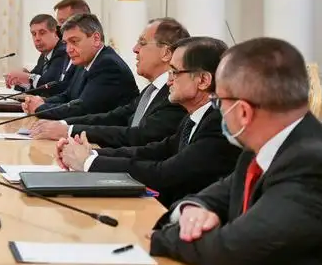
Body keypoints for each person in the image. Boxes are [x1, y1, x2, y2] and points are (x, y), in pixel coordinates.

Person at [149, 38, 322, 265]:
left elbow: (230, 249)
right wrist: (192, 209)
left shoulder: (312, 163)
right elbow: (218, 194)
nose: (218, 111)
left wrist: (163, 238)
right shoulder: (262, 145)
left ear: (242, 112)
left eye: (219, 102)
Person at [57, 37, 240, 207]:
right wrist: (92, 153)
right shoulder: (195, 116)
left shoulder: (218, 124)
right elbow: (154, 151)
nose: (168, 81)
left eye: (175, 72)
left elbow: (165, 173)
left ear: (203, 80)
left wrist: (89, 162)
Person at [31, 18, 188, 147]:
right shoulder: (151, 89)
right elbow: (116, 116)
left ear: (166, 53)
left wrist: (69, 131)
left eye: (142, 42)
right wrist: (64, 125)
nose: (135, 49)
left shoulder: (175, 95)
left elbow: (138, 136)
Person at [21, 13, 139, 120]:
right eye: (66, 43)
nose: (68, 49)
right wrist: (41, 102)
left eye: (74, 41)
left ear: (96, 39)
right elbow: (68, 96)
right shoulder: (84, 60)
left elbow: (82, 109)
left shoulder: (108, 65)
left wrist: (40, 108)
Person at [3, 15, 67, 95]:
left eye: (42, 33)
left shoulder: (63, 52)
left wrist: (28, 77)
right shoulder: (44, 56)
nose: (37, 38)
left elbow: (48, 85)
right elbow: (36, 86)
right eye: (34, 34)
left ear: (55, 33)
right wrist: (20, 80)